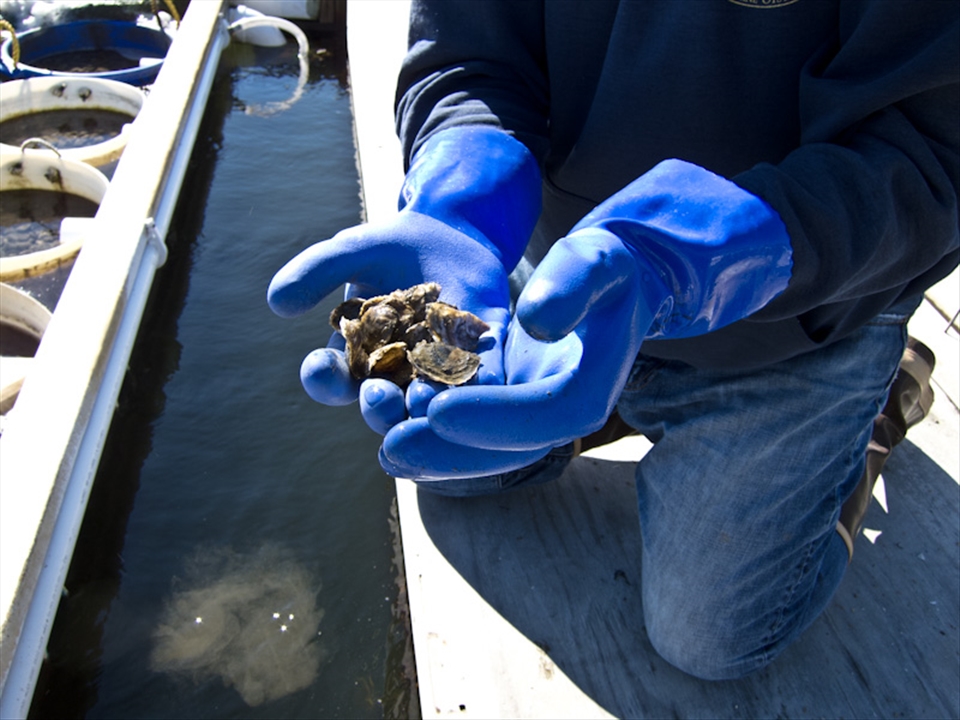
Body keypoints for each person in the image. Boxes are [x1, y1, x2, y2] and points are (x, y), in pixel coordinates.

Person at [269, 0, 959, 680]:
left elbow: (934, 148)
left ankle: (877, 413)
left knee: (714, 640)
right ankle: (607, 394)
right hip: (563, 284)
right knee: (448, 463)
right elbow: (470, 55)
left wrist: (706, 255)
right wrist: (465, 193)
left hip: (800, 321)